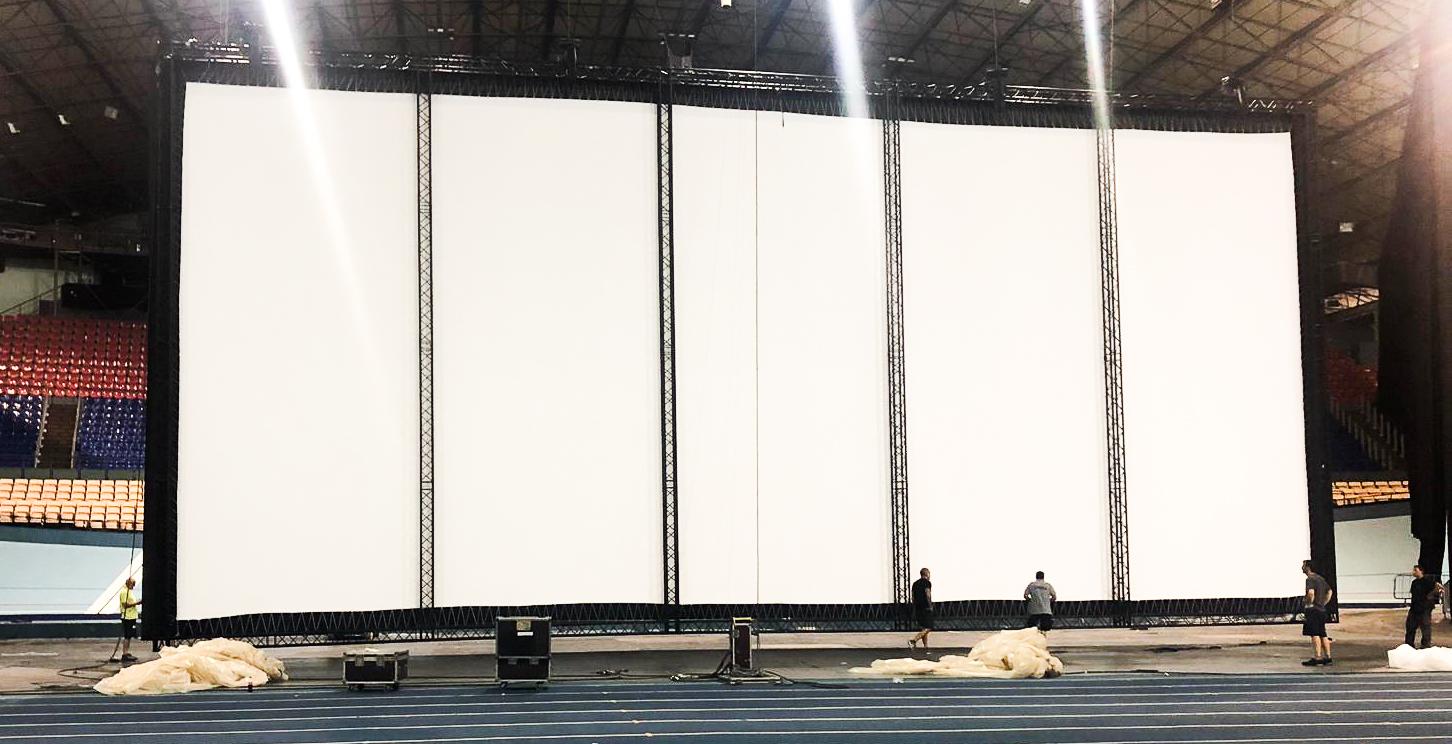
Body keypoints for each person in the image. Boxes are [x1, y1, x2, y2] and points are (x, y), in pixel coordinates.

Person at [1301, 560, 1334, 666]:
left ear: (1308, 567)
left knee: (1314, 633)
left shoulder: (1310, 579)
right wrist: (1323, 603)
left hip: (1313, 610)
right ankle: (1328, 657)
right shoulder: (1320, 578)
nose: (1302, 568)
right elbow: (1330, 591)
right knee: (1323, 633)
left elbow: (1311, 593)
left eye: (1303, 565)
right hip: (1321, 610)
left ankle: (1317, 657)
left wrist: (1309, 603)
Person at [1406, 564, 1443, 649]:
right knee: (1410, 628)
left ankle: (1425, 646)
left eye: (1416, 570)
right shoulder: (1414, 583)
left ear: (1421, 571)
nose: (1413, 572)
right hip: (1414, 608)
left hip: (1424, 609)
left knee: (1425, 628)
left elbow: (1439, 587)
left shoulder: (1427, 582)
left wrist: (1430, 596)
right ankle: (1409, 645)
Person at [118, 577, 141, 663]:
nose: (133, 586)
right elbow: (125, 604)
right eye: (133, 585)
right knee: (127, 636)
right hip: (127, 617)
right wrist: (137, 603)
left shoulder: (130, 591)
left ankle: (126, 652)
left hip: (131, 616)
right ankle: (125, 654)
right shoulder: (124, 592)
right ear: (129, 583)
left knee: (129, 636)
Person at [909, 568, 933, 649]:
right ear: (927, 574)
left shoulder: (915, 584)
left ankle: (925, 646)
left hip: (918, 607)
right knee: (928, 628)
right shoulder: (927, 583)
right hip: (925, 607)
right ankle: (914, 640)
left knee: (923, 627)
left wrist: (914, 607)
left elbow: (913, 596)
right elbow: (928, 594)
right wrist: (930, 605)